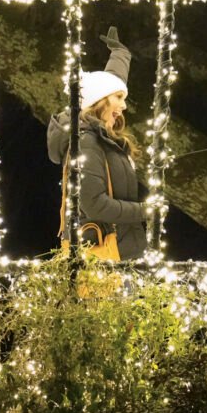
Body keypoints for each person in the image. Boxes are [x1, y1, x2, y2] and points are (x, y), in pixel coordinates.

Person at [47, 25, 150, 260]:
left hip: (122, 251)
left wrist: (121, 54)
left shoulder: (98, 138)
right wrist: (146, 211)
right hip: (107, 257)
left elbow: (111, 81)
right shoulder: (86, 143)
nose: (123, 106)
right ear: (99, 102)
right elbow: (94, 204)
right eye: (118, 98)